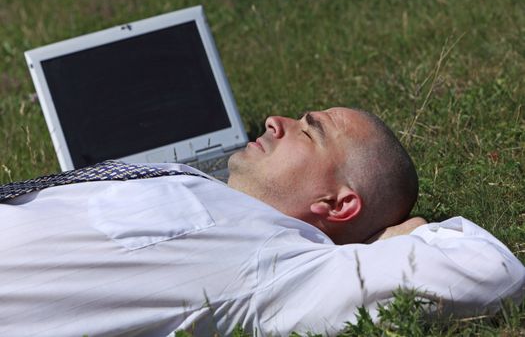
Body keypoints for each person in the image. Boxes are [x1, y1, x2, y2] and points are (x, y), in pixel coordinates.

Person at [0, 107, 523, 337]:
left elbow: (487, 270)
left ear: (339, 205)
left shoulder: (279, 264)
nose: (276, 120)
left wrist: (405, 235)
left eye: (308, 131)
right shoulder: (205, 187)